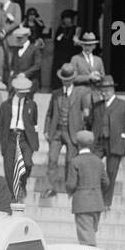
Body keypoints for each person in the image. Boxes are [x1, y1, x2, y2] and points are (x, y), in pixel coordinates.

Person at [90, 74, 125, 208]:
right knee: (92, 165)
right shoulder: (97, 106)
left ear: (112, 90)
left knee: (111, 173)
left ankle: (106, 202)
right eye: (101, 90)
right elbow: (89, 123)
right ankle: (94, 194)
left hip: (116, 142)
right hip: (99, 142)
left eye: (105, 90)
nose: (103, 93)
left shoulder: (123, 105)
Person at [42, 63, 86, 199]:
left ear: (72, 80)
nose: (65, 83)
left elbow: (85, 114)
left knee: (70, 161)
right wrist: (46, 129)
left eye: (68, 80)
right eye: (64, 80)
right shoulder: (56, 94)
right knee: (52, 159)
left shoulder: (80, 93)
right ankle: (51, 188)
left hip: (72, 132)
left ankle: (70, 188)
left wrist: (82, 130)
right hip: (56, 131)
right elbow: (49, 113)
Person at [0, 74, 40, 205]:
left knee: (28, 163)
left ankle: (22, 182)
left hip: (25, 138)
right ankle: (14, 194)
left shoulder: (32, 104)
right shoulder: (5, 105)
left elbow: (35, 124)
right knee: (9, 169)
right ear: (15, 91)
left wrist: (35, 143)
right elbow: (0, 125)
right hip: (10, 137)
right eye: (21, 93)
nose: (24, 95)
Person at [66, 129, 109, 246]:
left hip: (82, 203)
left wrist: (70, 192)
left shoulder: (75, 162)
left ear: (78, 144)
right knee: (91, 233)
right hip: (97, 202)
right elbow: (106, 182)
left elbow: (71, 184)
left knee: (86, 240)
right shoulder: (98, 161)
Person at [0, 0, 22, 78]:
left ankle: (11, 86)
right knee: (2, 64)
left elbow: (17, 21)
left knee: (11, 64)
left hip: (12, 40)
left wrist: (4, 31)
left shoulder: (15, 6)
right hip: (1, 41)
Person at [51, 9, 81, 77]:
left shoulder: (76, 29)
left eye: (68, 18)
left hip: (71, 54)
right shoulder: (60, 29)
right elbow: (56, 42)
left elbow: (77, 44)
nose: (66, 20)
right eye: (64, 18)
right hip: (60, 55)